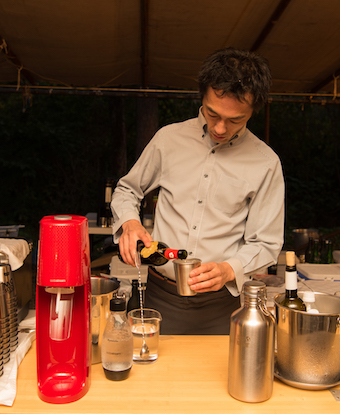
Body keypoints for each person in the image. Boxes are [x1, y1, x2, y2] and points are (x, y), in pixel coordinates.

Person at [111, 48, 285, 334]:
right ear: (201, 96)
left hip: (220, 307)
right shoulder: (169, 139)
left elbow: (266, 243)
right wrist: (130, 222)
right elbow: (127, 189)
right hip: (158, 298)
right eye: (212, 113)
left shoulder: (266, 163)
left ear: (254, 110)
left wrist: (230, 269)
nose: (220, 128)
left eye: (235, 120)